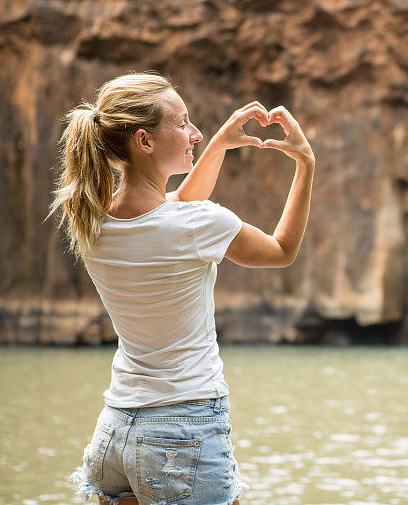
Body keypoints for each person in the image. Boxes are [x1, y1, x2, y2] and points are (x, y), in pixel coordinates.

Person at [49, 71, 315, 504]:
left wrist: (220, 145)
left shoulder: (93, 219)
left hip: (115, 433)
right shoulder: (200, 224)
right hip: (183, 432)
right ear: (145, 141)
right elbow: (282, 250)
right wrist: (306, 165)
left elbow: (174, 209)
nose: (195, 133)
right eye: (183, 123)